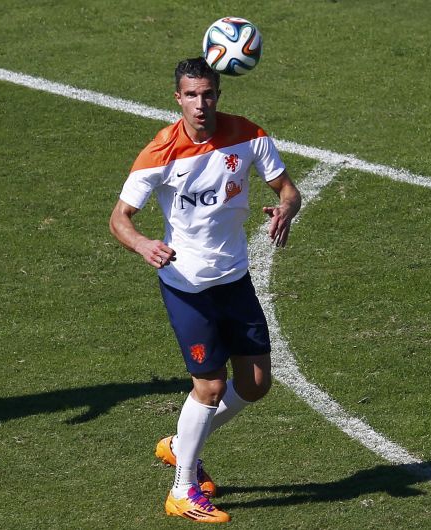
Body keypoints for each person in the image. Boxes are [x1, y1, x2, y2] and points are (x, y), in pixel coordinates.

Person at [109, 57, 301, 523]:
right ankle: (182, 490)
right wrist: (142, 245)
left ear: (219, 93)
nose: (201, 104)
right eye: (191, 95)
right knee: (211, 386)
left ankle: (179, 444)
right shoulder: (160, 153)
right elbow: (119, 219)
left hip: (234, 278)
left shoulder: (249, 135)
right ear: (178, 99)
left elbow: (288, 189)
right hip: (187, 286)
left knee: (255, 385)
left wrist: (285, 210)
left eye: (208, 94)